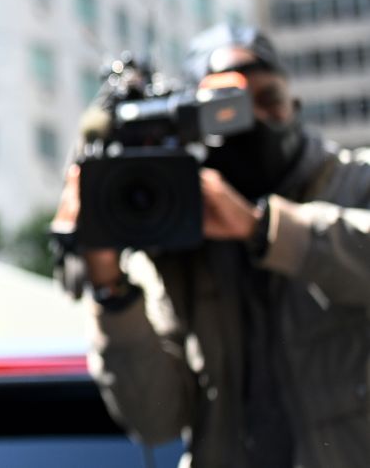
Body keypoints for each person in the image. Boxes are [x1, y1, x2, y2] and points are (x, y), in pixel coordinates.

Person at [51, 24, 370, 467]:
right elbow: (154, 421)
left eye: (267, 99)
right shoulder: (176, 231)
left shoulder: (356, 182)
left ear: (294, 105)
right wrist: (109, 287)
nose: (253, 118)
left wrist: (262, 228)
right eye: (227, 108)